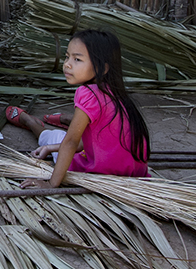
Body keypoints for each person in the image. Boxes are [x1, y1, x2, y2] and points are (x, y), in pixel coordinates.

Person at [10, 29, 150, 188]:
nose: (67, 64)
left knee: (56, 136)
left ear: (102, 68)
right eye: (67, 56)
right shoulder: (119, 96)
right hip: (132, 174)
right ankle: (63, 119)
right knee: (70, 137)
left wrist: (51, 183)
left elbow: (71, 142)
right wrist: (50, 149)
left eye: (77, 59)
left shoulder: (88, 94)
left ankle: (30, 122)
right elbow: (90, 143)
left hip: (99, 173)